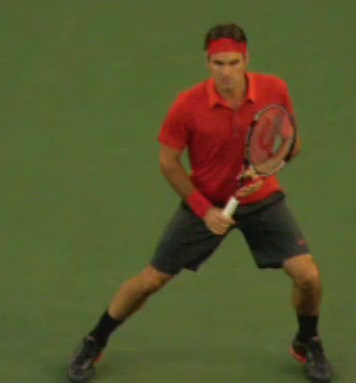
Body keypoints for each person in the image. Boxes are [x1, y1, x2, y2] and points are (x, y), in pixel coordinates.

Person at [68, 23, 333, 383]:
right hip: (206, 202)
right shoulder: (187, 105)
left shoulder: (275, 89)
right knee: (150, 281)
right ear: (207, 62)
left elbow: (292, 143)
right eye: (218, 64)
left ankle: (308, 340)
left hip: (261, 199)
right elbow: (168, 162)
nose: (226, 72)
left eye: (234, 63)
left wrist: (267, 169)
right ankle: (94, 340)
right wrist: (204, 210)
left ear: (246, 60)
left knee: (308, 276)